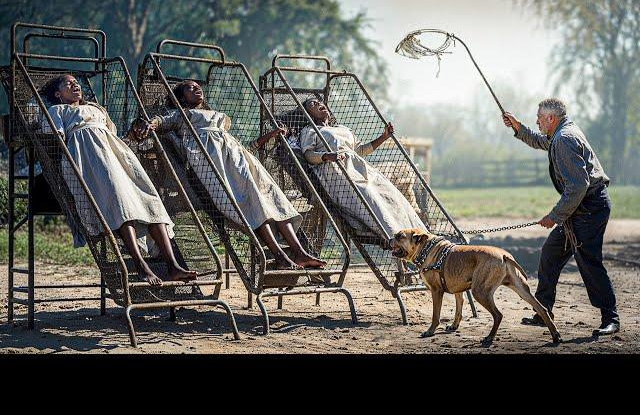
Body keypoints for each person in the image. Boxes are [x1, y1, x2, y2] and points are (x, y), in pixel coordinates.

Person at [131, 80, 325, 271]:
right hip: (211, 161)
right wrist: (149, 124)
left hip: (237, 155)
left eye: (198, 87)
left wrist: (268, 136)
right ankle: (279, 256)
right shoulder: (182, 114)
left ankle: (299, 251)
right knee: (252, 201)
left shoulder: (218, 117)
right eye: (190, 88)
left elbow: (242, 144)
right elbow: (162, 121)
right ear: (181, 97)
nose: (197, 88)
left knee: (272, 195)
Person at [41, 74, 196, 286]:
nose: (75, 84)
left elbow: (114, 134)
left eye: (76, 82)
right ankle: (142, 267)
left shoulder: (97, 109)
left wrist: (133, 133)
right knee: (121, 205)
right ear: (58, 94)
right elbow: (56, 135)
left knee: (150, 200)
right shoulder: (58, 110)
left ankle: (173, 265)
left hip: (116, 153)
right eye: (68, 84)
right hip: (89, 155)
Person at [503, 98, 619, 336]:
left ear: (551, 119)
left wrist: (554, 216)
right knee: (551, 253)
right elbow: (539, 140)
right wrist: (518, 127)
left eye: (539, 117)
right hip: (579, 208)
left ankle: (611, 318)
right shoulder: (561, 132)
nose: (537, 120)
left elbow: (578, 186)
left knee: (589, 261)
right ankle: (544, 311)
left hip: (589, 209)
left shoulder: (564, 140)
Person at [299, 97, 427, 243]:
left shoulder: (343, 128)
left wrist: (384, 137)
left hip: (358, 167)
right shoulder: (309, 130)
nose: (318, 104)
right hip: (334, 170)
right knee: (369, 197)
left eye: (319, 102)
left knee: (390, 195)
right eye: (312, 104)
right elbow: (308, 155)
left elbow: (359, 151)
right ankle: (394, 237)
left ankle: (420, 236)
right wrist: (327, 156)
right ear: (308, 114)